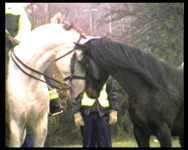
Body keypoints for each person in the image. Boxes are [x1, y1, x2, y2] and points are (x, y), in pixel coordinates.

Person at [72, 76, 121, 147]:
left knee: (105, 144)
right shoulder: (82, 75)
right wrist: (76, 113)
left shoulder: (107, 75)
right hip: (87, 114)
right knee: (88, 144)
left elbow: (113, 93)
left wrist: (114, 110)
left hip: (104, 114)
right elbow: (76, 95)